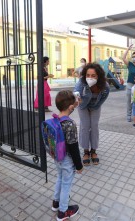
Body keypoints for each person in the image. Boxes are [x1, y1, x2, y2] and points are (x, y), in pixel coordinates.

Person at [51, 90, 83, 221]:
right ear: (71, 107)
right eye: (73, 105)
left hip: (57, 158)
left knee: (60, 178)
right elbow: (73, 147)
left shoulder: (55, 119)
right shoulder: (69, 124)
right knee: (66, 185)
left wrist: (75, 102)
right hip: (67, 160)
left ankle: (56, 203)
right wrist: (79, 165)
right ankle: (63, 212)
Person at [74, 63, 110, 166]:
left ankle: (93, 150)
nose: (90, 78)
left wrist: (93, 108)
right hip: (83, 106)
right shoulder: (81, 83)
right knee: (85, 126)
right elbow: (75, 94)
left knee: (94, 125)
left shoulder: (105, 86)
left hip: (96, 106)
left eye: (93, 75)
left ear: (98, 76)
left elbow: (103, 98)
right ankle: (85, 150)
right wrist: (77, 99)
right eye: (88, 75)